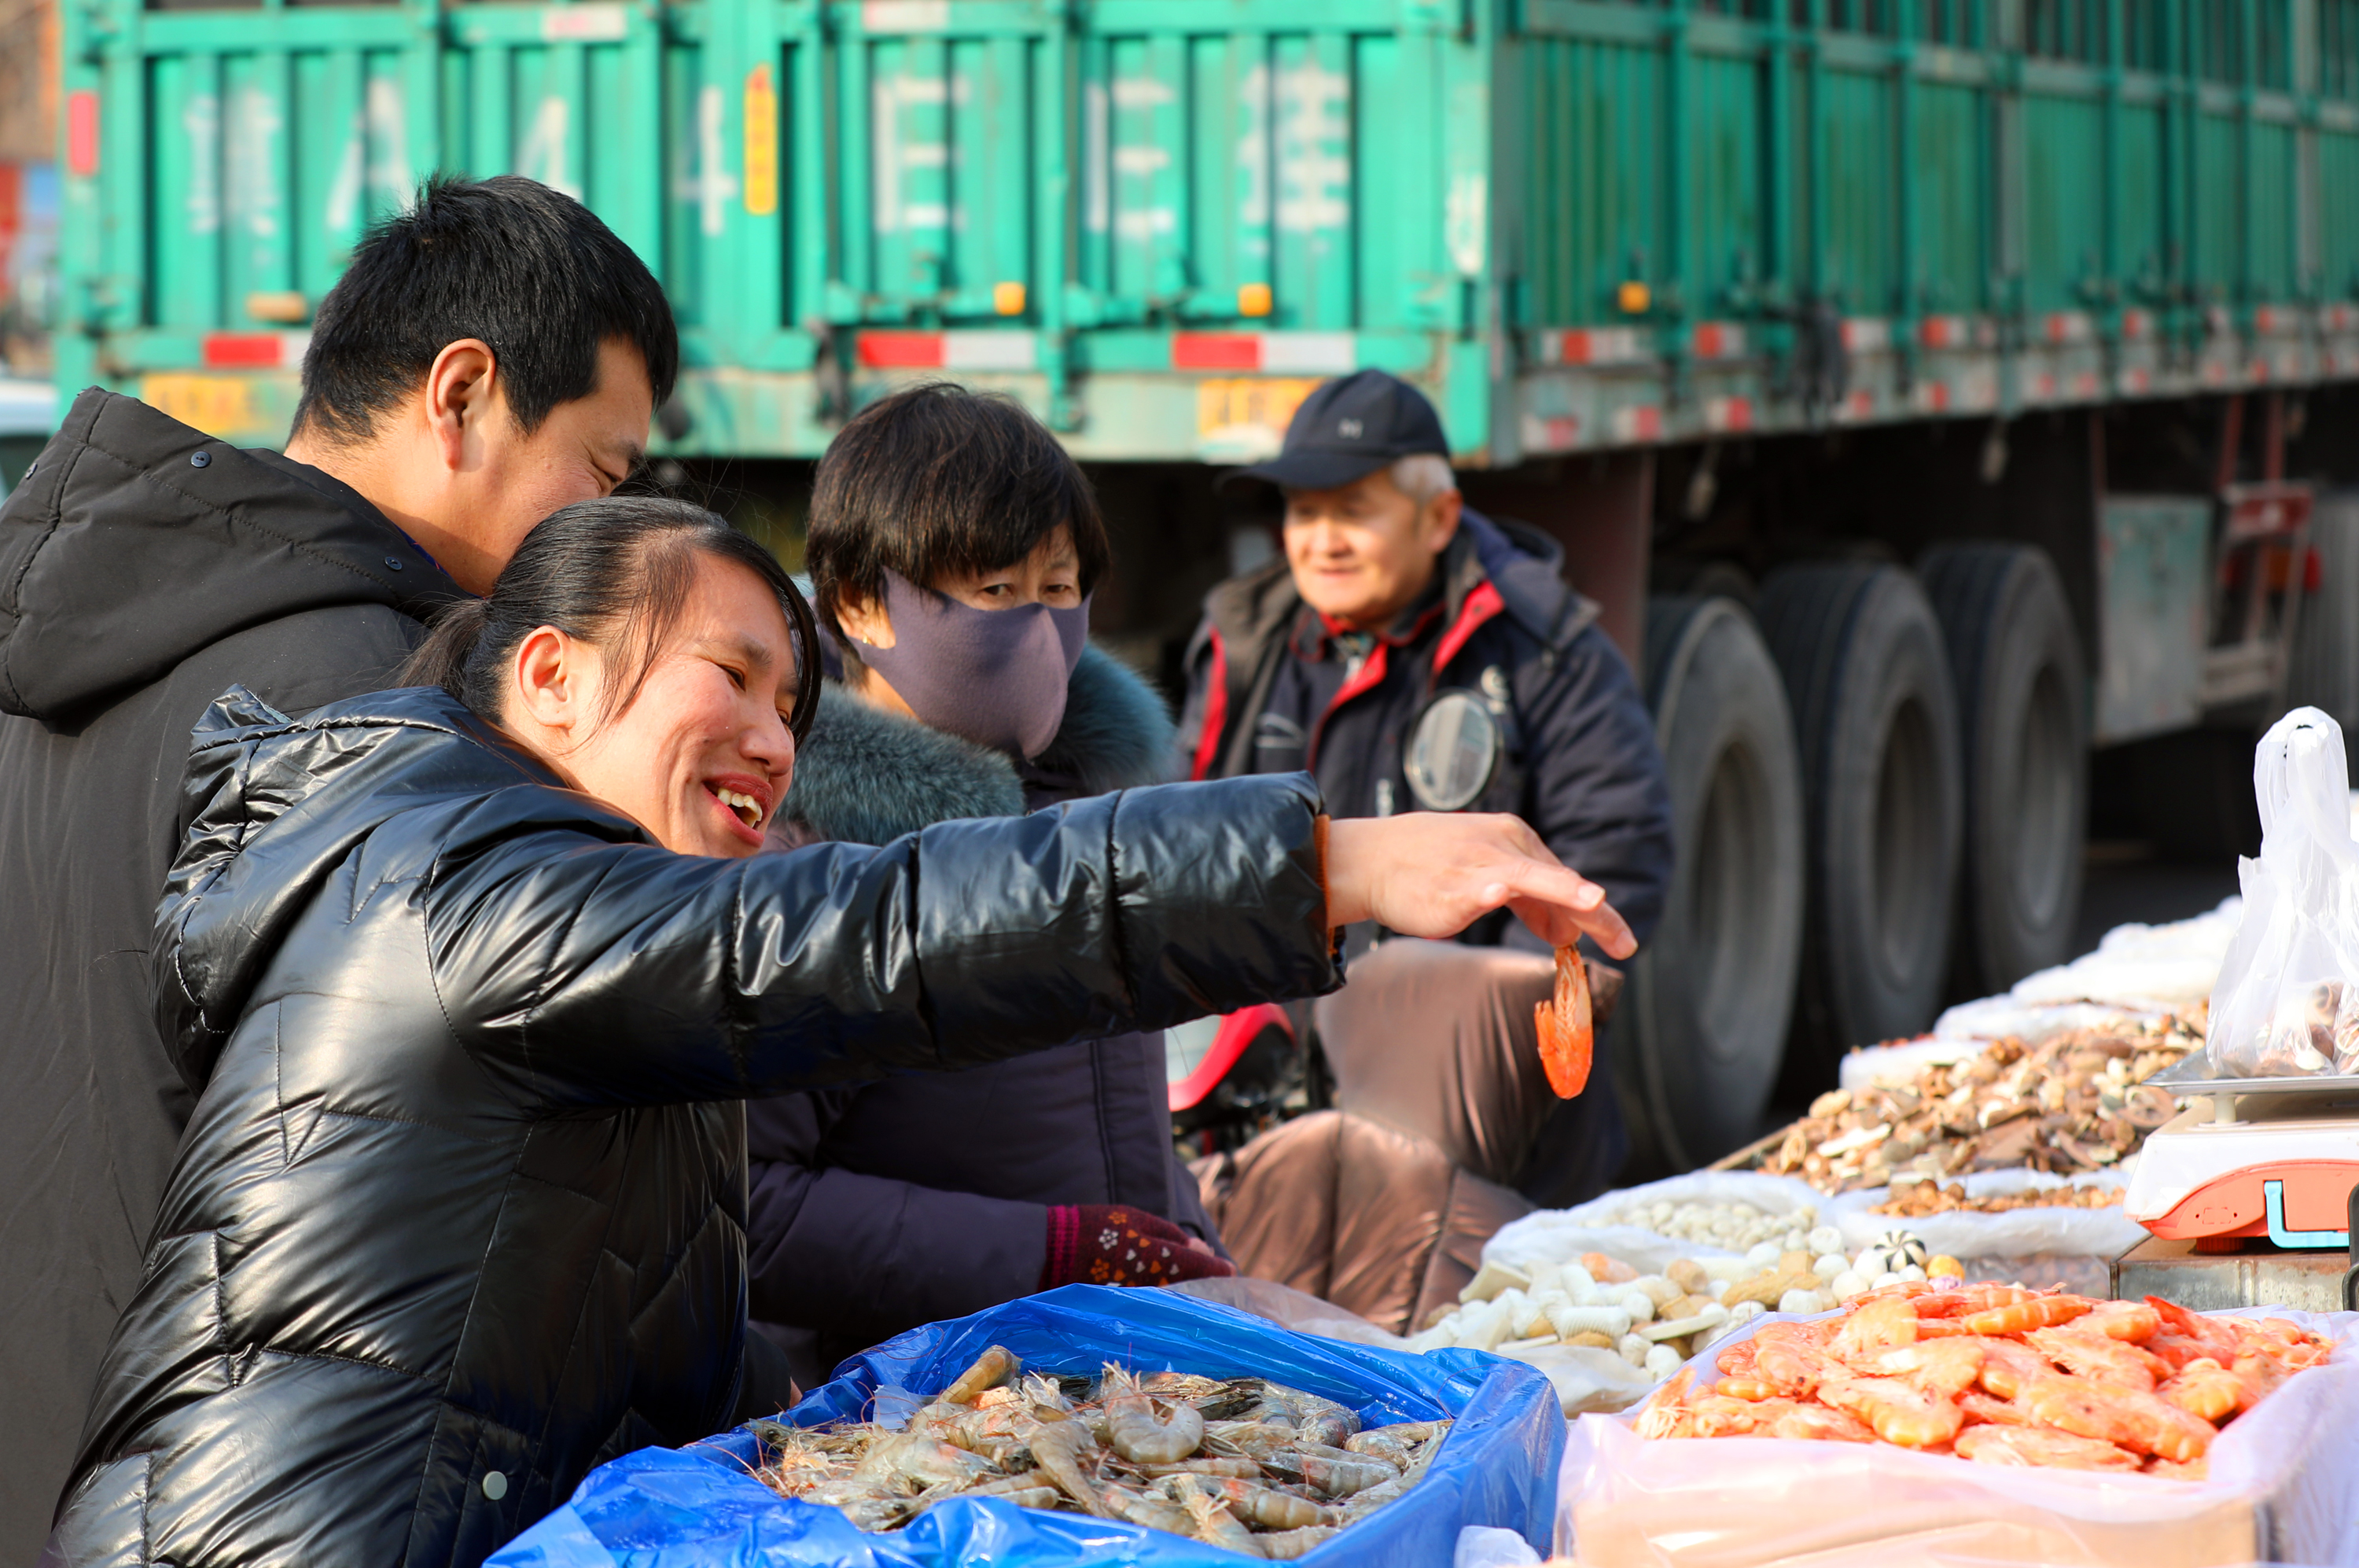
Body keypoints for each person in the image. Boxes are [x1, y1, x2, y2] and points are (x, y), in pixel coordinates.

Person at [42, 496, 1632, 1568]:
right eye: (730, 674)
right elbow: (888, 929)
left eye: (792, 708)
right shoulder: (472, 889)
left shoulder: (567, 942)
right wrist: (1324, 865)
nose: (768, 741)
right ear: (551, 676)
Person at [0, 174, 673, 1561]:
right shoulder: (381, 707)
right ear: (461, 394)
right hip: (232, 1493)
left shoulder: (62, 658)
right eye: (604, 476)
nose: (605, 538)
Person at [747, 385, 1229, 1393]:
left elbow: (1117, 1122)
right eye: (998, 591)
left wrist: (1181, 1243)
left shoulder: (1094, 816)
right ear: (860, 604)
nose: (1042, 629)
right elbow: (750, 1208)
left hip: (1108, 1395)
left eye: (1061, 587)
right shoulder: (803, 861)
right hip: (920, 1420)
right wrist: (1053, 1252)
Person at [1176, 369, 1675, 1212]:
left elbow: (1614, 854)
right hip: (1281, 1123)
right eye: (1304, 513)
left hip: (1494, 1144)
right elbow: (1182, 848)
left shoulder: (1543, 645)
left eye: (1353, 511)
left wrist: (1482, 1056)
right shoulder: (1244, 636)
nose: (1323, 542)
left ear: (1439, 518)